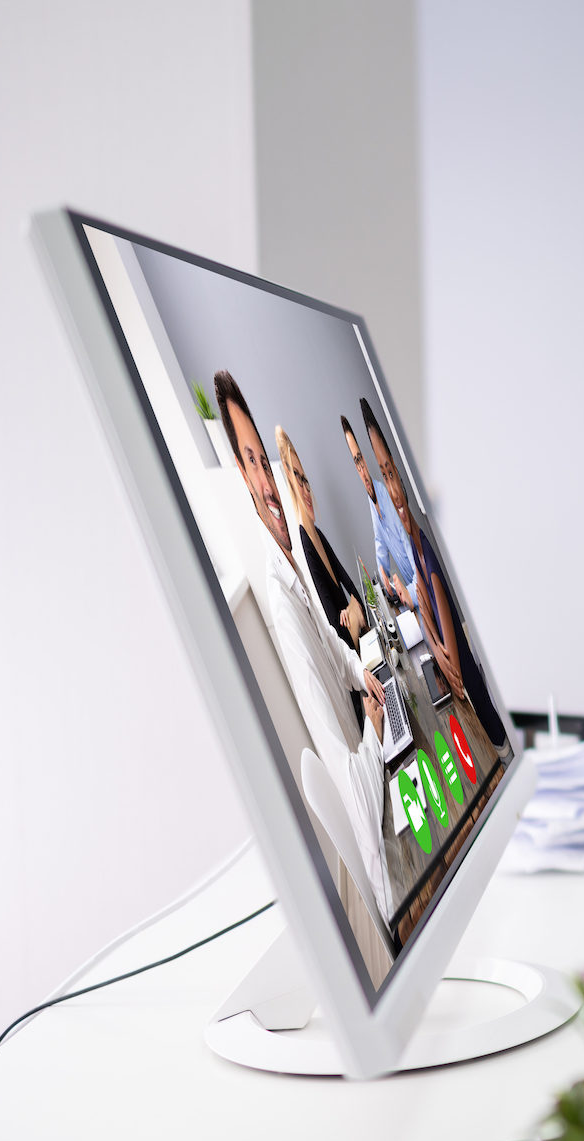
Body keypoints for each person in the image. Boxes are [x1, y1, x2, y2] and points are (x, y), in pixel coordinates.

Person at [216, 371, 396, 921]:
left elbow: (335, 644)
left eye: (263, 460)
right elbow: (358, 806)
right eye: (251, 462)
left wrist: (357, 673)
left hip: (389, 806)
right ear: (242, 478)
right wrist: (374, 724)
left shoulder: (295, 551)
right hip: (391, 876)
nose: (270, 482)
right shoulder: (281, 603)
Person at [358, 399, 500, 747]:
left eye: (390, 472)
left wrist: (436, 645)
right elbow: (426, 619)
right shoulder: (415, 548)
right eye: (382, 474)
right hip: (472, 703)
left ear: (402, 478)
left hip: (491, 731)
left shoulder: (426, 558)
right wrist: (434, 642)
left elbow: (453, 671)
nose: (389, 489)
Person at [276, 425, 369, 651]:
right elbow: (342, 637)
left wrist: (354, 612)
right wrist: (352, 612)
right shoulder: (306, 545)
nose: (306, 490)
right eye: (298, 480)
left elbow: (356, 592)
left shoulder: (317, 535)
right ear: (290, 484)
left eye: (306, 479)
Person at [343, 414, 418, 612]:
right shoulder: (372, 500)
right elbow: (380, 542)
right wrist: (383, 576)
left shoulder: (384, 493)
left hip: (422, 583)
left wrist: (410, 593)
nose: (360, 468)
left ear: (365, 460)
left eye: (360, 459)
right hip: (412, 589)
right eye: (355, 463)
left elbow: (408, 544)